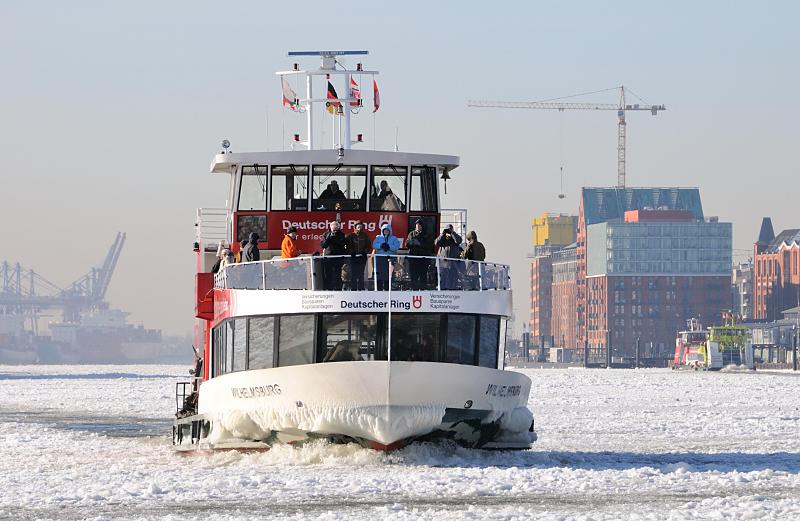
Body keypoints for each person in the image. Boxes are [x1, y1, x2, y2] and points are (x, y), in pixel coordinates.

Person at [406, 219, 434, 290]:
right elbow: (406, 244)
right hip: (413, 259)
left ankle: (423, 291)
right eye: (416, 225)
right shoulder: (411, 234)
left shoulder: (427, 234)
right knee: (413, 276)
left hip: (423, 259)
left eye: (419, 225)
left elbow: (430, 246)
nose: (417, 226)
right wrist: (411, 242)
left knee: (423, 276)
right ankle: (414, 290)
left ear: (422, 226)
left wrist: (419, 243)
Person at [372, 223, 400, 290]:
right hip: (380, 259)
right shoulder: (378, 237)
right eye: (384, 230)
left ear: (390, 230)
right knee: (379, 275)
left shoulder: (394, 238)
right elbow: (374, 245)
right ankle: (379, 289)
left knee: (389, 275)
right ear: (382, 230)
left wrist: (389, 247)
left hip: (390, 259)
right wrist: (381, 245)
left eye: (387, 230)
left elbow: (397, 246)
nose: (386, 231)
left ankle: (388, 290)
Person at [320, 221, 347, 290]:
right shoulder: (326, 234)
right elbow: (323, 245)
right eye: (333, 229)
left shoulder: (341, 234)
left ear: (338, 228)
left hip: (337, 257)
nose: (334, 231)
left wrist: (336, 239)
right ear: (330, 228)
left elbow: (342, 244)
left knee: (337, 274)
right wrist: (329, 237)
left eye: (336, 229)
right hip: (328, 257)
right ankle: (328, 288)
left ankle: (338, 288)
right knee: (328, 273)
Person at [435, 225, 463, 289]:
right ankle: (442, 290)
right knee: (442, 278)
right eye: (447, 229)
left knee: (452, 278)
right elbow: (436, 242)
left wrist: (452, 233)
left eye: (450, 229)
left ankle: (452, 290)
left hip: (453, 262)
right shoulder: (443, 238)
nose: (448, 231)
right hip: (443, 263)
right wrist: (443, 234)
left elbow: (459, 241)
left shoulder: (455, 238)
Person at [346, 221, 371, 290]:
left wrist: (365, 252)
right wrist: (352, 252)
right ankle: (353, 288)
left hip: (362, 257)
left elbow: (368, 245)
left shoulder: (365, 235)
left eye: (361, 227)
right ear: (355, 227)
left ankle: (361, 287)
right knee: (353, 273)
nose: (359, 228)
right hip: (353, 257)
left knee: (361, 273)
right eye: (358, 227)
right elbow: (348, 245)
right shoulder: (351, 236)